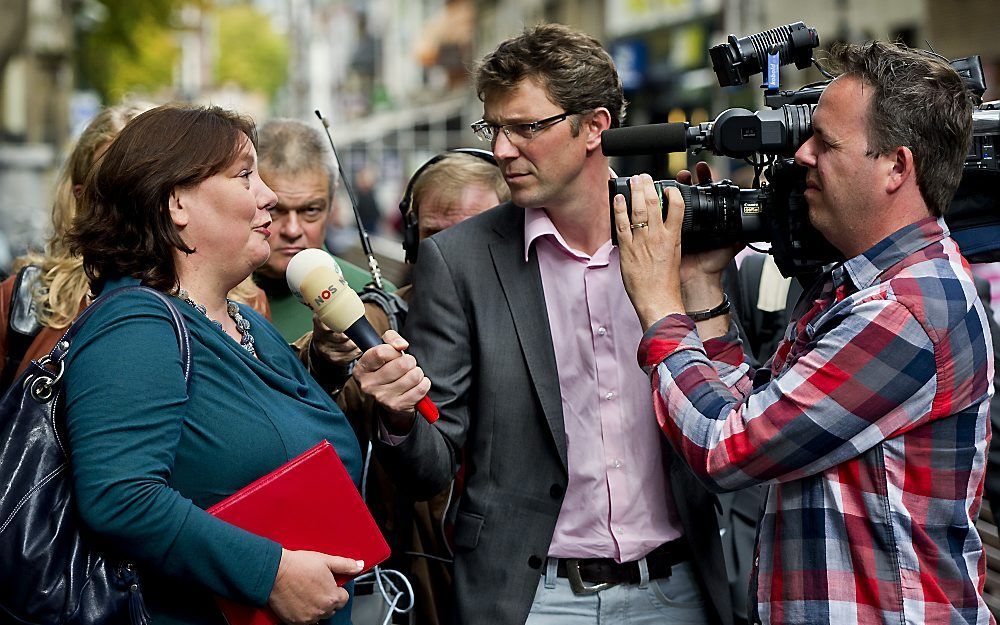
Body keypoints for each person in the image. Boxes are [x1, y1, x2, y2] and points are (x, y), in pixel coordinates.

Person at [352, 24, 732, 625]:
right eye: (493, 129)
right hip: (533, 597)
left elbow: (737, 417)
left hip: (679, 586)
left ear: (594, 127)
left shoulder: (677, 235)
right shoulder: (462, 260)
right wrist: (398, 417)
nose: (502, 150)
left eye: (525, 128)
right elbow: (430, 466)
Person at [614, 41, 991, 624]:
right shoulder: (861, 286)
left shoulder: (904, 310)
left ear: (897, 166)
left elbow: (725, 452)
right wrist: (700, 288)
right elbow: (751, 412)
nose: (802, 157)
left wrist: (659, 309)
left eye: (826, 143)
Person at [62, 104, 365, 625]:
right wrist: (269, 574)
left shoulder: (247, 322)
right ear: (176, 202)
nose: (268, 195)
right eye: (246, 175)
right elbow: (120, 495)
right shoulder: (135, 326)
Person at [311, 149, 507, 625]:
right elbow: (308, 377)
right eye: (439, 236)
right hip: (420, 584)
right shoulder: (381, 318)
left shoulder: (543, 312)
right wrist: (327, 355)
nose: (455, 253)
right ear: (413, 241)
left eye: (474, 232)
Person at [0, 102, 269, 393]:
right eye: (114, 183)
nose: (135, 197)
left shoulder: (243, 306)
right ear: (84, 197)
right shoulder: (29, 299)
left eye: (147, 178)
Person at [252, 119, 393, 342]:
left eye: (310, 210)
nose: (292, 229)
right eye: (274, 209)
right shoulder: (214, 297)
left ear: (331, 203)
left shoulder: (374, 299)